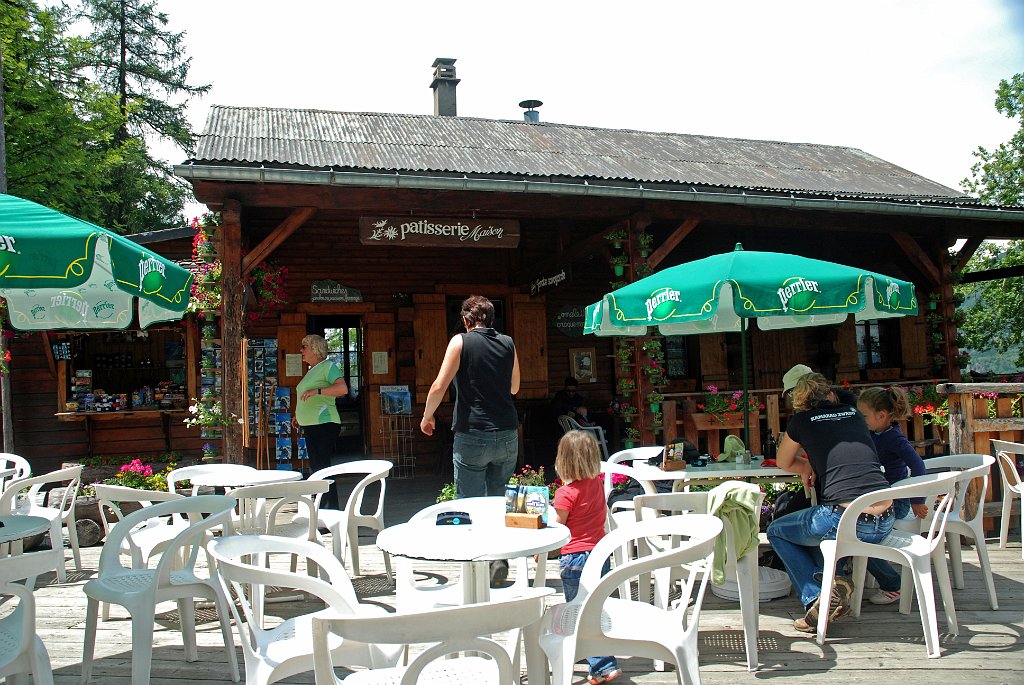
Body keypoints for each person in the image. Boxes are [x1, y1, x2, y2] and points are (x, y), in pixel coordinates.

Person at [767, 372, 895, 634]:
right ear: (830, 393)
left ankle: (818, 598)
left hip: (845, 520)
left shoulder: (801, 421)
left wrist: (805, 464)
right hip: (886, 519)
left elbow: (783, 462)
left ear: (799, 399)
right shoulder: (853, 413)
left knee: (777, 531)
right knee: (816, 528)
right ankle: (831, 586)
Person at [552, 430, 622, 684]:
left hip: (574, 558)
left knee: (579, 611)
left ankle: (603, 665)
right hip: (599, 553)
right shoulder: (596, 485)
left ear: (563, 460)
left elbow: (559, 528)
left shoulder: (565, 494)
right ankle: (590, 651)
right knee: (596, 607)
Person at [856, 385, 929, 605]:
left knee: (856, 534)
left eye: (864, 416)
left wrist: (917, 501)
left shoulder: (894, 439)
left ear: (881, 415)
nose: (861, 420)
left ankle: (893, 584)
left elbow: (919, 468)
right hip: (878, 499)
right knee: (847, 526)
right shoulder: (873, 432)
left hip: (895, 503)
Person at [291, 334, 348, 509]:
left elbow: (343, 388)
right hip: (312, 426)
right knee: (317, 468)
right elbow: (304, 398)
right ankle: (323, 509)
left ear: (315, 349)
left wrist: (317, 391)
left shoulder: (328, 367)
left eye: (304, 347)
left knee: (322, 469)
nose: (301, 351)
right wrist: (297, 415)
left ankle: (328, 510)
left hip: (324, 424)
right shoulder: (312, 369)